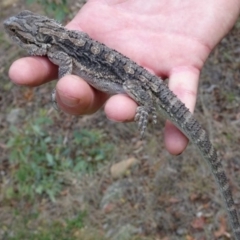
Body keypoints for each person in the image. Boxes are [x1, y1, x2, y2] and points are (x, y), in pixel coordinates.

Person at [8, 0, 240, 155]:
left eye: (17, 33)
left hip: (130, 79)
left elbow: (67, 62)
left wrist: (146, 105)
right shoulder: (63, 41)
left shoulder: (59, 48)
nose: (11, 32)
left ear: (36, 38)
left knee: (133, 89)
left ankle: (148, 104)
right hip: (128, 75)